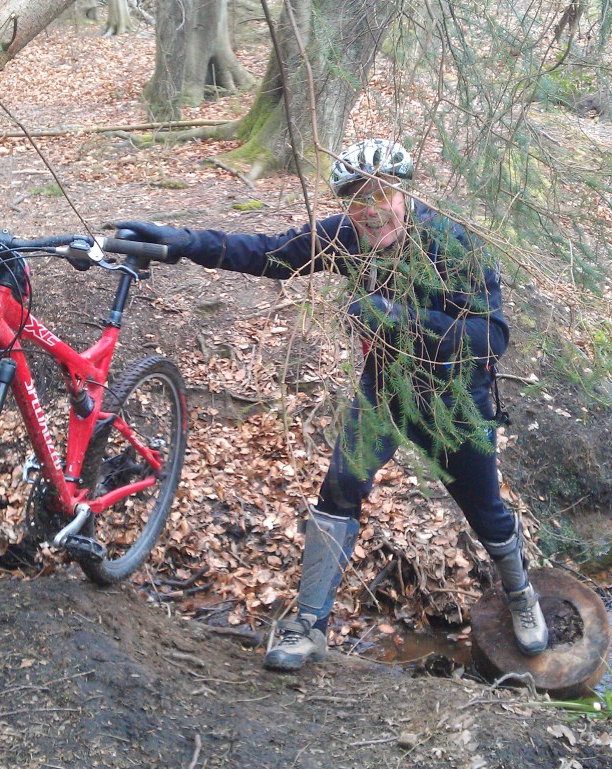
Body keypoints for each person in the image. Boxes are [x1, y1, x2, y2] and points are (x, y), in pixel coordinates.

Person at [118, 138, 548, 670]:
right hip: (385, 392)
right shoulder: (345, 237)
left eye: (381, 194)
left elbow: (492, 336)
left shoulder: (453, 244)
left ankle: (521, 594)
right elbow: (270, 254)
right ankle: (310, 624)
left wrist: (396, 318)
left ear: (404, 193)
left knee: (484, 507)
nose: (370, 210)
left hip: (455, 403)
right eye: (356, 198)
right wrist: (180, 242)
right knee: (341, 486)